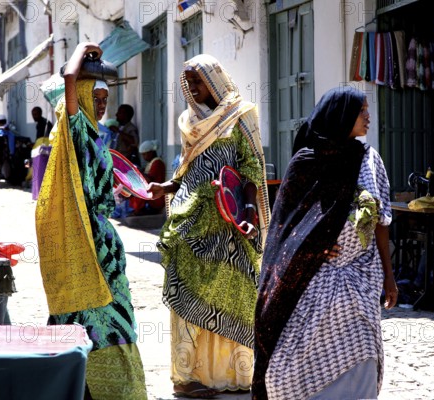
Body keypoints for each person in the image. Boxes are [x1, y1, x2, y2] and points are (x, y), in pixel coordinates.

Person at [252, 87, 398, 399]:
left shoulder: (369, 159)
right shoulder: (305, 163)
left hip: (362, 276)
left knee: (362, 345)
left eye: (366, 110)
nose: (368, 116)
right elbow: (285, 230)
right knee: (291, 362)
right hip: (312, 278)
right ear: (340, 116)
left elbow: (382, 221)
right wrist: (313, 248)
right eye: (361, 111)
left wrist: (389, 276)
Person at [147, 54, 271, 398]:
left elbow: (249, 168)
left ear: (214, 80)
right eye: (188, 81)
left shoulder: (242, 114)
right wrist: (166, 188)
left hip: (230, 225)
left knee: (238, 295)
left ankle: (234, 374)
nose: (192, 88)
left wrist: (247, 212)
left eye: (198, 80)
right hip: (189, 225)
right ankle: (186, 377)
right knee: (186, 297)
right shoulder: (188, 120)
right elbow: (188, 171)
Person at [35, 42, 146, 399]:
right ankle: (87, 385)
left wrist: (116, 196)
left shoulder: (100, 137)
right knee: (93, 311)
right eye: (96, 99)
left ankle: (103, 385)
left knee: (114, 311)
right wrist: (83, 48)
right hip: (83, 240)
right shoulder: (75, 126)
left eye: (105, 101)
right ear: (81, 97)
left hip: (103, 238)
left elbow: (91, 188)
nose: (101, 106)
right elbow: (69, 75)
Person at [127, 140, 166, 215]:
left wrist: (137, 171)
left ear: (151, 152)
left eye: (145, 154)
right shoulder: (151, 163)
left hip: (156, 195)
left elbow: (149, 180)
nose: (143, 157)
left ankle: (139, 210)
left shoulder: (157, 163)